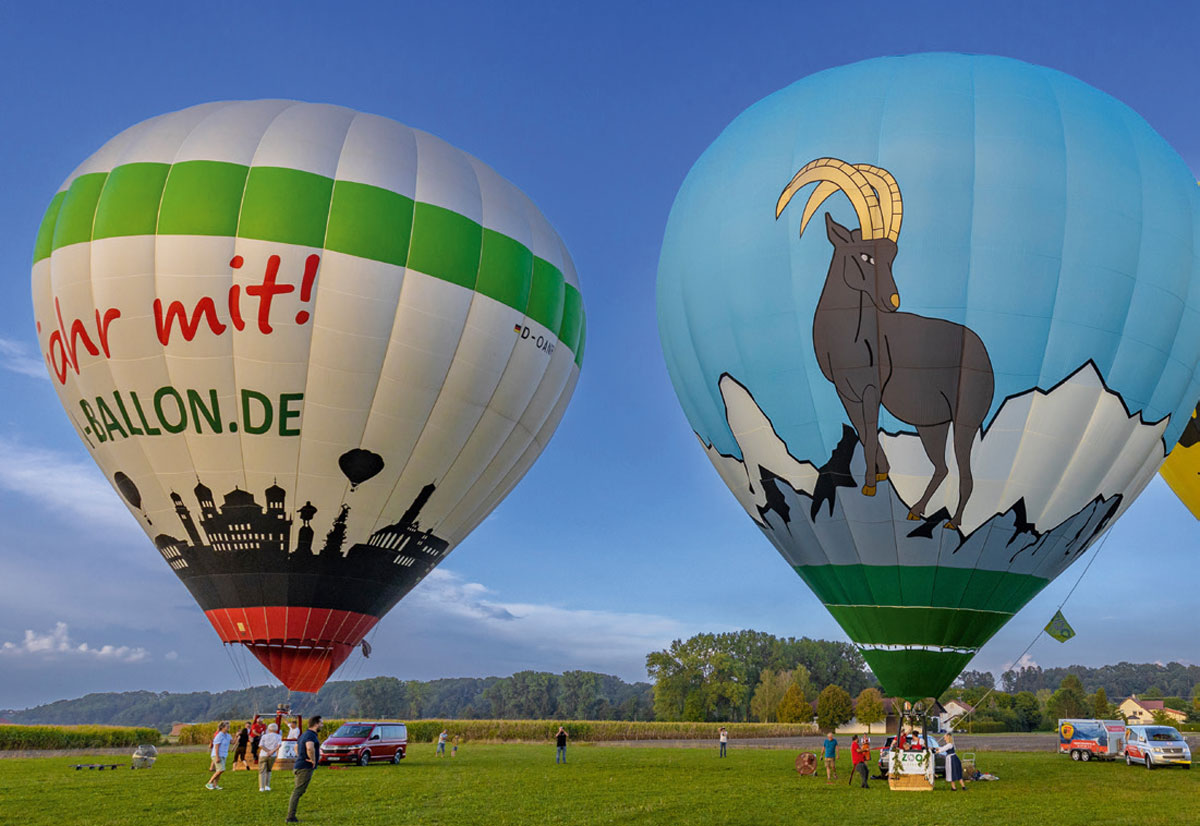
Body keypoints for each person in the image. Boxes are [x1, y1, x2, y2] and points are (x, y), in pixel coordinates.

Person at [287, 715, 323, 824]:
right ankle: (290, 817)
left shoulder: (304, 734)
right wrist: (312, 760)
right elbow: (310, 747)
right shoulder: (311, 735)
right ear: (316, 724)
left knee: (299, 790)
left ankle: (291, 815)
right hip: (304, 767)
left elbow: (296, 747)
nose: (322, 725)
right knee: (298, 791)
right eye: (321, 723)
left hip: (299, 765)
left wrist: (300, 756)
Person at [258, 723, 283, 792]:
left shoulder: (264, 736)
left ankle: (261, 787)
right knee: (269, 770)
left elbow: (261, 745)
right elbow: (279, 745)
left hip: (263, 754)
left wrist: (267, 751)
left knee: (262, 771)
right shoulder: (278, 736)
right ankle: (267, 786)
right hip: (272, 755)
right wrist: (272, 751)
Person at [206, 721, 231, 790]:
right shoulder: (219, 735)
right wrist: (217, 757)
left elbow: (232, 742)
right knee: (221, 770)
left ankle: (215, 785)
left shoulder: (228, 735)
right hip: (217, 754)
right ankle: (209, 783)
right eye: (227, 726)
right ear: (222, 727)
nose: (229, 727)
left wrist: (238, 736)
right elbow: (216, 746)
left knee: (219, 771)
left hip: (224, 755)